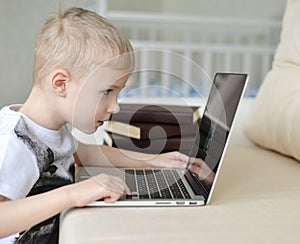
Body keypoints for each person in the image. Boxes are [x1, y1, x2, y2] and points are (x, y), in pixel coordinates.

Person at [0, 7, 207, 244]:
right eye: (107, 91)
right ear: (61, 84)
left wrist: (151, 160)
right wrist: (73, 194)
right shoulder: (14, 141)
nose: (115, 106)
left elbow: (83, 153)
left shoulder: (50, 128)